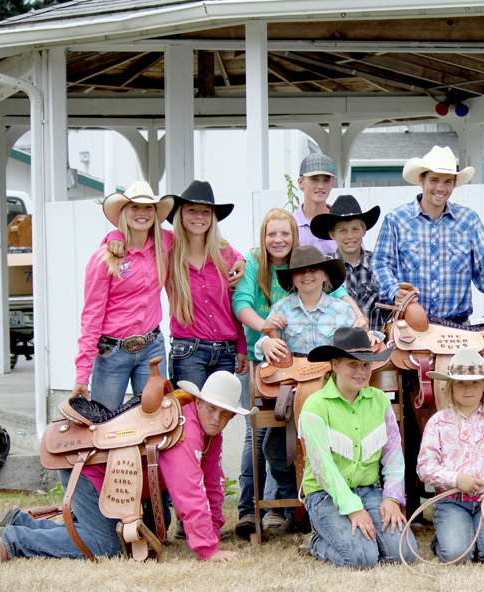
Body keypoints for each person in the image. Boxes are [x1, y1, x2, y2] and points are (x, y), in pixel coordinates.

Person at [0, 371, 250, 563]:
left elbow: (212, 484)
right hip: (88, 469)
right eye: (213, 408)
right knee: (106, 545)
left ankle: (20, 522)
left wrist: (213, 535)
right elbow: (189, 490)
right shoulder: (186, 431)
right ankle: (14, 540)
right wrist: (208, 549)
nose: (218, 418)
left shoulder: (208, 433)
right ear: (199, 401)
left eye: (226, 413)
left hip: (102, 473)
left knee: (104, 536)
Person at [231, 211, 363, 538]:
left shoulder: (343, 310)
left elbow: (357, 346)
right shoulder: (282, 310)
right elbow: (266, 340)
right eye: (300, 272)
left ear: (323, 276)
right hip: (293, 386)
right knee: (274, 449)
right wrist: (266, 343)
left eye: (313, 271)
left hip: (330, 382)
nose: (307, 276)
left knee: (338, 444)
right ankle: (293, 506)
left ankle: (334, 502)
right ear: (293, 277)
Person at [297, 327, 417, 568]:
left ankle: (349, 537)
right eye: (353, 364)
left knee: (404, 553)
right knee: (362, 558)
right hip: (326, 495)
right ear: (335, 365)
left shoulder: (380, 400)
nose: (362, 371)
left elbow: (393, 455)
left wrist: (392, 498)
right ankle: (315, 543)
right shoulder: (315, 406)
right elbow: (323, 468)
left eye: (367, 365)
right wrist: (352, 508)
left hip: (369, 489)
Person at [372, 145, 484, 324]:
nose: (440, 187)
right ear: (421, 180)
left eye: (448, 181)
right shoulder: (396, 220)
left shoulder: (468, 220)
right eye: (434, 180)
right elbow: (380, 264)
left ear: (454, 184)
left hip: (457, 325)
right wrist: (394, 291)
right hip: (407, 323)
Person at [71, 182, 172, 409]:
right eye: (134, 207)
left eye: (148, 207)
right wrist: (82, 375)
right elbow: (92, 317)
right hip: (112, 352)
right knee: (104, 421)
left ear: (155, 213)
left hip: (152, 348)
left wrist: (238, 259)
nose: (142, 213)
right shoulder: (105, 258)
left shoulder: (165, 243)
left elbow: (200, 241)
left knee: (156, 419)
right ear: (123, 213)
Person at [417, 347, 484, 564]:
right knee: (456, 555)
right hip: (451, 501)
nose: (468, 389)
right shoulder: (437, 423)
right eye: (461, 383)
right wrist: (456, 479)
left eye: (475, 382)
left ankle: (469, 536)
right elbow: (425, 468)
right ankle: (448, 540)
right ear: (450, 387)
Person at [165, 180, 248, 388]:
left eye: (206, 212)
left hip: (225, 352)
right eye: (192, 210)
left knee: (217, 418)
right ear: (181, 214)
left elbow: (231, 305)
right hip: (188, 352)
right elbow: (137, 237)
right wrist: (115, 236)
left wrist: (241, 346)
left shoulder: (225, 254)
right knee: (191, 416)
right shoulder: (168, 251)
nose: (199, 217)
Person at [311, 194, 386, 331]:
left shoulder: (378, 264)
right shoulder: (324, 267)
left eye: (355, 229)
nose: (350, 236)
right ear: (332, 234)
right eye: (342, 231)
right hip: (335, 346)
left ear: (364, 231)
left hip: (375, 344)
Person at [293, 153, 338, 254]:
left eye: (326, 180)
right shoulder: (290, 223)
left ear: (332, 184)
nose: (320, 186)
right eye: (314, 179)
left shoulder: (341, 222)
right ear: (300, 182)